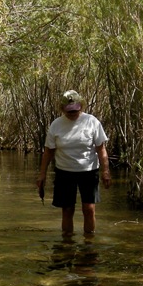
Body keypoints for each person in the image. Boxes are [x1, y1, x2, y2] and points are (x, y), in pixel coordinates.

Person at [36, 90, 112, 236]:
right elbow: (48, 152)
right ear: (62, 108)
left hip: (89, 171)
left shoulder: (92, 122)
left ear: (81, 106)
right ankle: (67, 242)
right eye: (69, 111)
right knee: (67, 209)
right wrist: (42, 174)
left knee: (89, 209)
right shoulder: (56, 125)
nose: (72, 114)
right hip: (64, 172)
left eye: (75, 110)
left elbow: (101, 149)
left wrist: (106, 171)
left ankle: (89, 242)